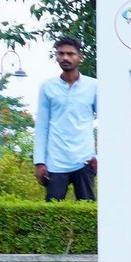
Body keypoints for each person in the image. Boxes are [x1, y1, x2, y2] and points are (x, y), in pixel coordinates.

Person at [33, 37, 98, 201]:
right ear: (56, 57)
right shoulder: (48, 87)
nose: (65, 58)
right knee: (52, 211)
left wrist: (99, 157)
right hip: (55, 162)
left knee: (87, 210)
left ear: (80, 57)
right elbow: (42, 126)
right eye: (61, 54)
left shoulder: (93, 86)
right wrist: (39, 162)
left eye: (70, 54)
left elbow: (107, 123)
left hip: (85, 160)